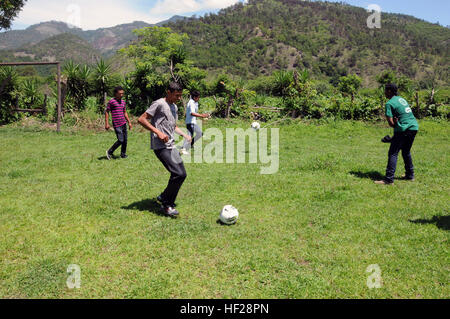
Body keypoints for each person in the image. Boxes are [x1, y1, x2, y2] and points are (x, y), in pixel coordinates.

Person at [138, 82, 192, 217]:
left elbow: (172, 126)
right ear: (168, 92)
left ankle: (163, 197)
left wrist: (184, 134)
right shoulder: (159, 104)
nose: (179, 98)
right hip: (160, 145)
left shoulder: (173, 107)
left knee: (181, 174)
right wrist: (158, 132)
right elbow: (142, 119)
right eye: (176, 95)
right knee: (178, 174)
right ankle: (167, 205)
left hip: (171, 145)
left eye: (180, 95)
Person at [375, 83, 419, 185]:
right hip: (413, 127)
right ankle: (410, 175)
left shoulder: (389, 104)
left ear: (390, 91)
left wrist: (395, 124)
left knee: (393, 153)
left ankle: (389, 179)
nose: (385, 92)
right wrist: (393, 138)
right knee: (406, 151)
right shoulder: (401, 99)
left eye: (386, 90)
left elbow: (391, 123)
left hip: (403, 129)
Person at [105, 86, 132, 159]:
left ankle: (123, 154)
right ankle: (109, 152)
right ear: (116, 93)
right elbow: (107, 112)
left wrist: (129, 122)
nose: (121, 95)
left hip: (123, 123)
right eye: (120, 93)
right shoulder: (111, 102)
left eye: (122, 93)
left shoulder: (123, 102)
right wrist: (107, 123)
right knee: (120, 140)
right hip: (117, 124)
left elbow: (125, 112)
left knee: (125, 140)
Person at [180, 91, 210, 155]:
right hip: (190, 122)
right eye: (198, 97)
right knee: (189, 135)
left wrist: (202, 115)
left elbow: (193, 113)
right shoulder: (191, 103)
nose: (199, 98)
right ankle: (183, 149)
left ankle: (190, 144)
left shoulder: (195, 103)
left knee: (200, 133)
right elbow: (192, 113)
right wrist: (202, 116)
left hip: (193, 122)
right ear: (194, 97)